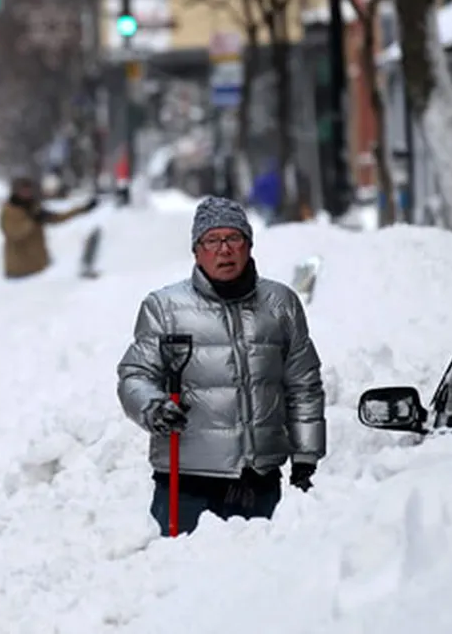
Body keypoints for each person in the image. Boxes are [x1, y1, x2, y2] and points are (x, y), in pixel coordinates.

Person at [116, 196, 325, 536]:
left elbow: (303, 384)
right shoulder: (165, 307)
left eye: (233, 238)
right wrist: (153, 407)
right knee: (181, 580)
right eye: (212, 240)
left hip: (259, 480)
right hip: (186, 482)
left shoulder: (280, 304)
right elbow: (135, 376)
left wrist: (305, 456)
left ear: (249, 245)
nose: (224, 249)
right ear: (197, 251)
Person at [0, 175, 96, 279]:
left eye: (28, 189)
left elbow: (57, 218)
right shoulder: (9, 211)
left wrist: (82, 209)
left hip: (38, 267)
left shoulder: (32, 206)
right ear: (15, 191)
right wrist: (32, 220)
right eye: (23, 190)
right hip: (19, 271)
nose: (27, 193)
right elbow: (14, 233)